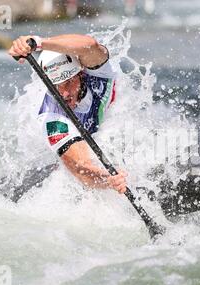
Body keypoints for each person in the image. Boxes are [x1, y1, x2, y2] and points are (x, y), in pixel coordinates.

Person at [8, 34, 128, 194]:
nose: (64, 94)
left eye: (69, 83)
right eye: (57, 86)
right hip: (59, 166)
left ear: (81, 74)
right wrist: (109, 179)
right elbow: (81, 168)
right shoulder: (51, 117)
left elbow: (90, 45)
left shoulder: (99, 74)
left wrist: (38, 43)